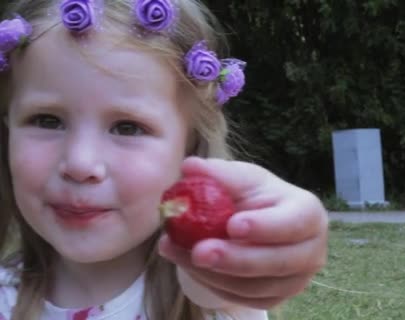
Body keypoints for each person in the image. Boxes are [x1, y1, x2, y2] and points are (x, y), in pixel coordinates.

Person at [0, 0, 329, 319]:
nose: (80, 164)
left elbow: (215, 287)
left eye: (128, 127)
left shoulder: (208, 301)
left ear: (188, 146)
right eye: (46, 120)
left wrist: (236, 254)